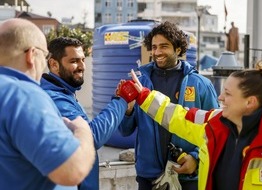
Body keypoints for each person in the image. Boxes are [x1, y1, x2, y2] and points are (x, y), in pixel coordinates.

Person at [123, 60, 262, 190]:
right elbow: (178, 116)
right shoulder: (213, 123)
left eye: (228, 93)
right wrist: (144, 96)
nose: (220, 98)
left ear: (250, 102)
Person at [118, 21, 219, 190]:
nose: (157, 52)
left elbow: (216, 130)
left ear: (178, 49)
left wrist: (195, 158)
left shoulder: (201, 84)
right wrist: (127, 110)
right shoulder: (140, 83)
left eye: (164, 46)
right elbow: (125, 130)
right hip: (148, 177)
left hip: (187, 176)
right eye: (154, 46)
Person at [0, 18, 96, 189]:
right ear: (31, 55)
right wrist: (82, 130)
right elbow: (73, 170)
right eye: (44, 56)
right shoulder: (22, 95)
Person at [40, 37, 135, 190]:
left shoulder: (66, 94)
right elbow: (91, 138)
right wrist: (121, 100)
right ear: (54, 64)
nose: (82, 66)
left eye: (83, 59)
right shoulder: (55, 98)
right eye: (74, 61)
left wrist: (123, 105)